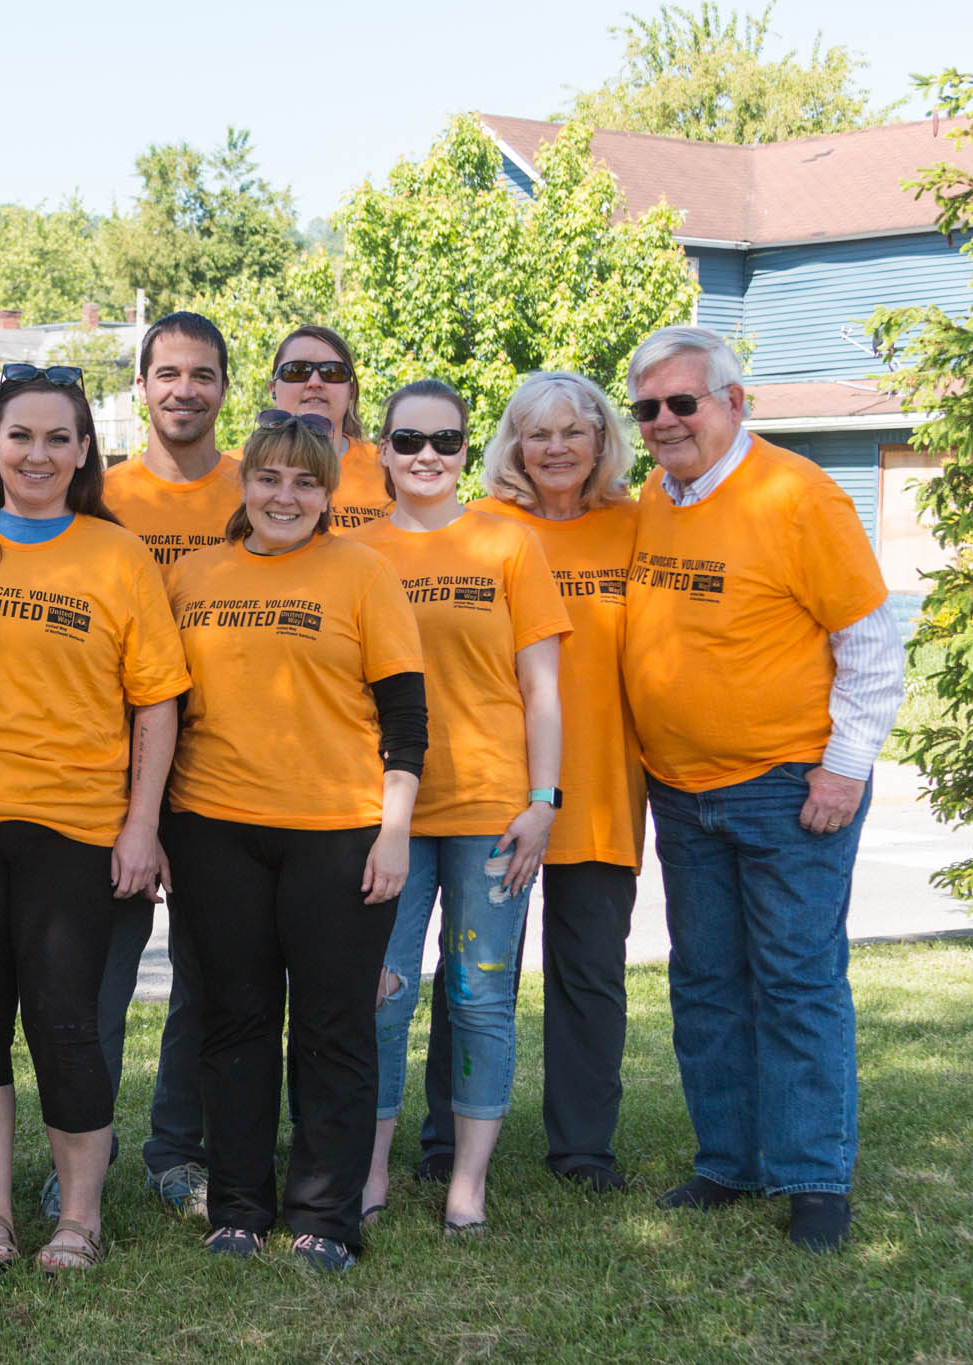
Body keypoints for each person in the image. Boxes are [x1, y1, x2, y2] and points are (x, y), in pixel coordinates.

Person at [621, 326, 903, 1252]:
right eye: (649, 407)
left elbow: (868, 642)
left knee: (796, 983)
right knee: (706, 982)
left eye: (682, 403)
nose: (664, 422)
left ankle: (814, 1176)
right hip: (683, 790)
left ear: (733, 403)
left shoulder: (797, 494)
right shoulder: (654, 501)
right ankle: (728, 1162)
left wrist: (847, 766)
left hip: (788, 786)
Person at [0, 368, 190, 1272]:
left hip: (76, 826)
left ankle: (79, 1219)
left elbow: (156, 703)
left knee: (67, 1024)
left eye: (58, 438)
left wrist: (141, 823)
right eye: (20, 435)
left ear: (84, 452)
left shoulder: (117, 555)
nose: (38, 453)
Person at [161, 408, 425, 1271]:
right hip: (213, 829)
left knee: (333, 1029)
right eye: (270, 477)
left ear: (328, 493)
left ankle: (327, 1216)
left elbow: (405, 721)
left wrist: (393, 835)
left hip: (337, 833)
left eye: (305, 482)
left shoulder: (363, 573)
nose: (285, 494)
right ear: (245, 483)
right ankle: (237, 1206)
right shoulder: (194, 575)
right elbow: (160, 711)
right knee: (233, 1024)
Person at [401, 372, 645, 1194]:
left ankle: (582, 1146)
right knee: (468, 972)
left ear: (603, 440)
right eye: (538, 433)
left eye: (575, 431)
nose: (557, 448)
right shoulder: (483, 529)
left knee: (589, 971)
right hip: (486, 791)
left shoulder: (635, 526)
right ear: (510, 444)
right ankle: (445, 1137)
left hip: (598, 783)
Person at [352, 379, 569, 1234]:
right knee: (380, 995)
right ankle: (367, 1171)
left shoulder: (508, 544)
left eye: (446, 439)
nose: (427, 456)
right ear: (383, 450)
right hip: (383, 816)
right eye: (409, 440)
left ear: (466, 445)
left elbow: (542, 688)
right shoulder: (356, 550)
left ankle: (466, 1185)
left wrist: (544, 800)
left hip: (490, 810)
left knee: (480, 997)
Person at [76, 310, 237, 1222]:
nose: (185, 389)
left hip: (223, 772)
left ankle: (181, 1147)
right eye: (167, 373)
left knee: (211, 978)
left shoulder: (259, 491)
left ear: (224, 387)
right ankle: (78, 1159)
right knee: (99, 983)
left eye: (203, 374)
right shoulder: (101, 495)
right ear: (139, 387)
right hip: (116, 773)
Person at [263, 326, 389, 530]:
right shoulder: (237, 469)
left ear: (351, 390)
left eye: (332, 372)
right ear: (273, 390)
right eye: (296, 371)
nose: (314, 382)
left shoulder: (388, 470)